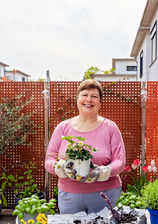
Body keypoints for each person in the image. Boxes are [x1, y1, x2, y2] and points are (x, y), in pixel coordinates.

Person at [45, 79, 126, 214]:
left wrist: (102, 172)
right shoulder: (63, 128)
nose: (89, 99)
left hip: (106, 195)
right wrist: (61, 168)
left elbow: (120, 162)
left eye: (94, 96)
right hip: (70, 197)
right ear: (77, 99)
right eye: (84, 95)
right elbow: (49, 160)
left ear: (100, 103)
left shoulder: (111, 128)